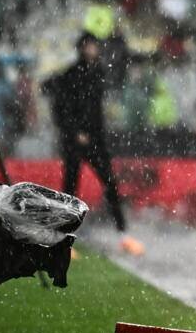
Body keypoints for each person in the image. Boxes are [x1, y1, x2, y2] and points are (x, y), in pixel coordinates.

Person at [44, 33, 143, 255]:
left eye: (94, 46)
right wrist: (74, 131)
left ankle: (124, 235)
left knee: (110, 183)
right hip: (75, 141)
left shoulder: (98, 73)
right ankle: (63, 240)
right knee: (70, 189)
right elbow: (62, 108)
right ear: (81, 48)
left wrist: (94, 132)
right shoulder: (70, 74)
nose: (93, 49)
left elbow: (95, 110)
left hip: (96, 139)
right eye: (89, 46)